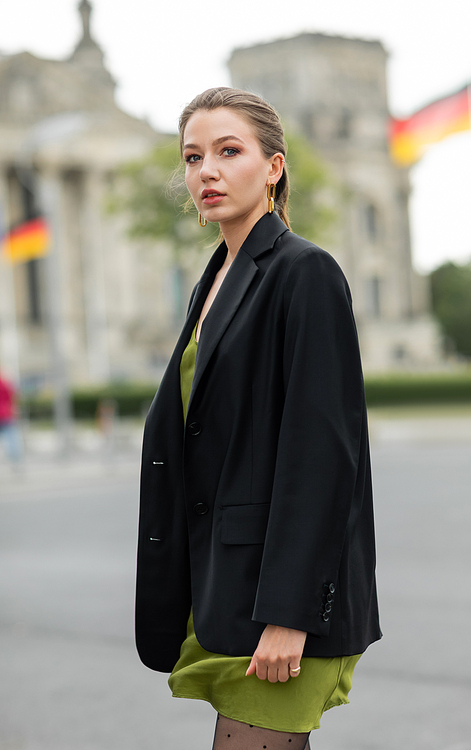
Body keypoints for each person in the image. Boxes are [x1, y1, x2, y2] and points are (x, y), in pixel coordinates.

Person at [135, 87, 381, 749]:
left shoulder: (305, 273)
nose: (205, 172)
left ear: (273, 166)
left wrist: (289, 616)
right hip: (226, 592)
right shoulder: (215, 277)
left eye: (228, 151)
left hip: (279, 605)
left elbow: (322, 457)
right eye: (192, 158)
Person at [0, 371, 24, 469]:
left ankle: (15, 460)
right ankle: (16, 461)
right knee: (12, 438)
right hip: (6, 414)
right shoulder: (5, 383)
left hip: (5, 414)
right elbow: (14, 396)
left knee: (11, 437)